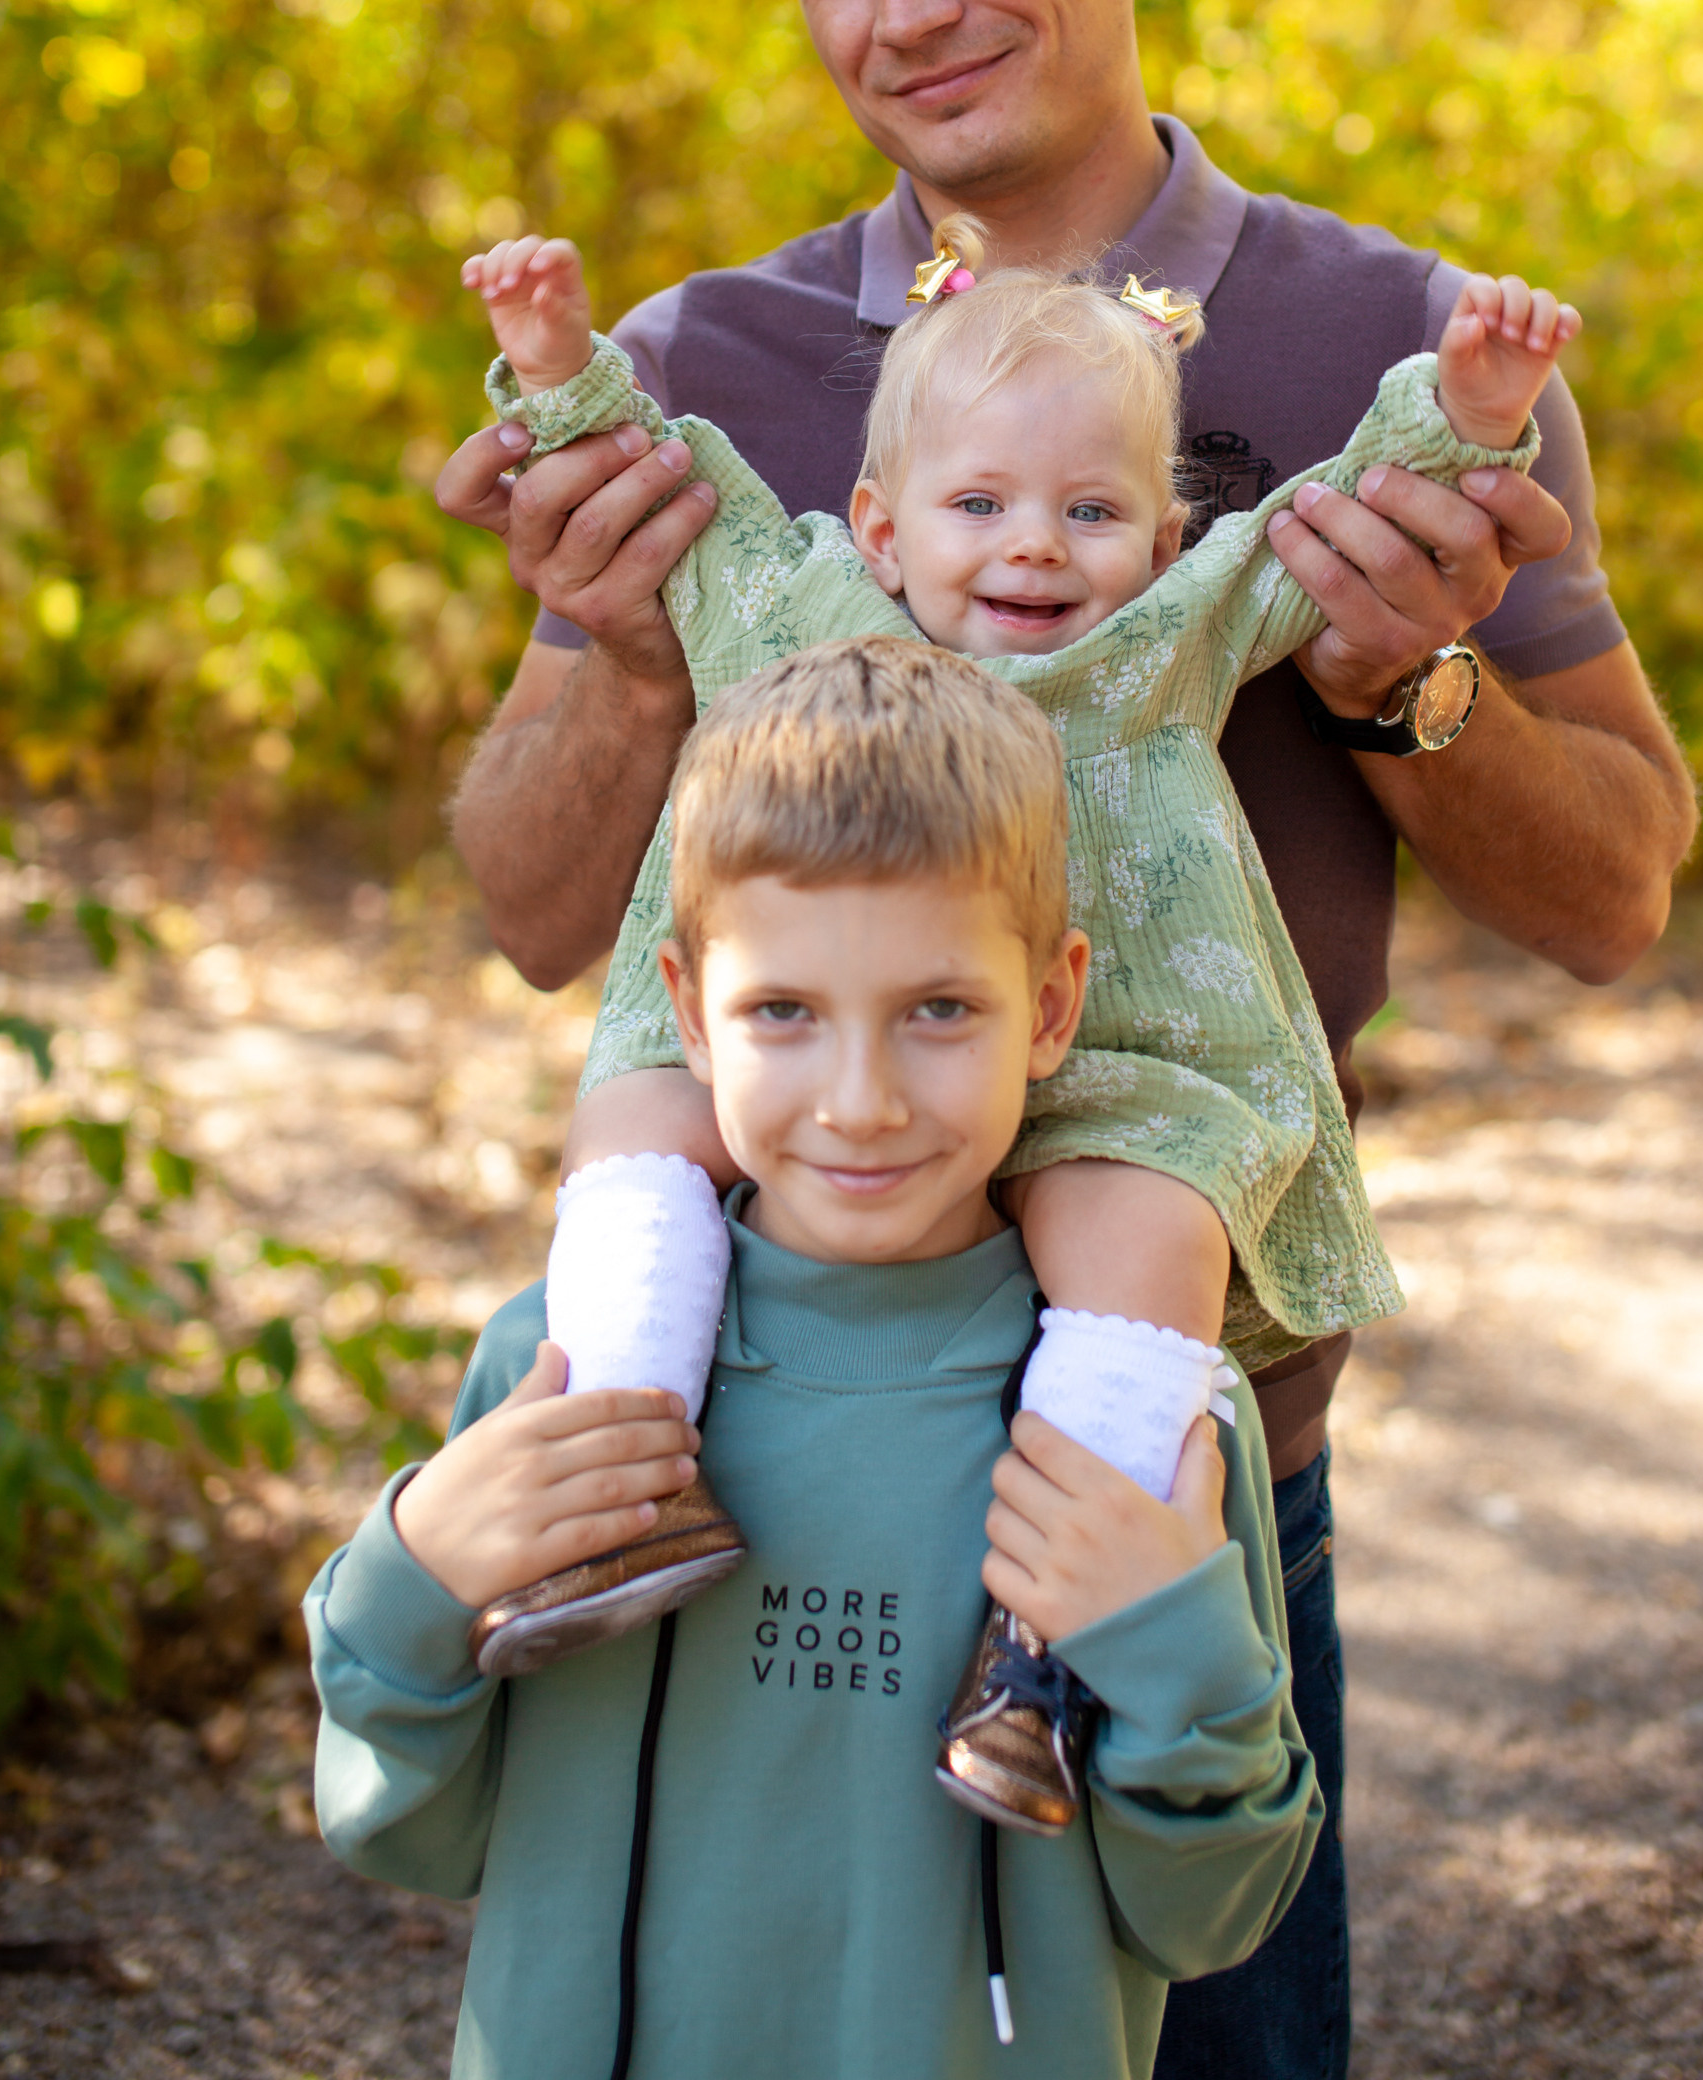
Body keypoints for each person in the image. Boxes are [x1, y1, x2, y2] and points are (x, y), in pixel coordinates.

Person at [435, 0, 1698, 2080]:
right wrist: (622, 663)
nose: (903, 10)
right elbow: (525, 912)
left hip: (1177, 1471)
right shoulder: (700, 366)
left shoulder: (1405, 342)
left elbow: (1618, 896)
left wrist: (1404, 686)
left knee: (1198, 2026)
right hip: (750, 1464)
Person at [454, 217, 1572, 1845]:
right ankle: (620, 1477)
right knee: (634, 1132)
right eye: (979, 506)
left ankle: (1044, 1648)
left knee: (1152, 1244)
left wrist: (1467, 414)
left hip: (1111, 1068)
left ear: (1166, 537)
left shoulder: (1165, 636)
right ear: (881, 526)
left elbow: (1344, 525)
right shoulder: (796, 602)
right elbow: (648, 476)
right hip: (808, 1058)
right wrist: (557, 366)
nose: (1036, 548)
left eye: (1091, 512)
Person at [308, 642, 1324, 2080]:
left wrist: (1170, 1645)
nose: (861, 1103)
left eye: (939, 1010)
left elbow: (1210, 1917)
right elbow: (406, 1834)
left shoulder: (1148, 1419)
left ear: (1049, 1008)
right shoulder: (565, 1370)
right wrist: (412, 1580)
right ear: (688, 1008)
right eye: (782, 1011)